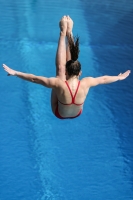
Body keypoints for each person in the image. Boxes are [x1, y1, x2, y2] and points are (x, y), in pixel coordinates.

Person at [2, 16, 131, 119]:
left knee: (58, 74)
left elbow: (35, 79)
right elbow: (104, 79)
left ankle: (64, 33)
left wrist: (15, 72)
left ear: (67, 72)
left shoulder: (59, 83)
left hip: (59, 113)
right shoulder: (87, 82)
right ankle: (69, 33)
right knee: (63, 71)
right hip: (77, 113)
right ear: (80, 72)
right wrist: (118, 78)